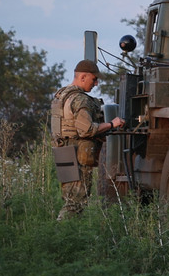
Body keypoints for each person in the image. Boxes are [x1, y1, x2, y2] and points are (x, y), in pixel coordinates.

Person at [50, 59, 125, 220]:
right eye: (94, 79)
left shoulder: (61, 96)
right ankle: (61, 231)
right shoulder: (80, 99)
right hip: (78, 155)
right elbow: (87, 130)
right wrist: (112, 124)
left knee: (69, 199)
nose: (96, 84)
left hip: (63, 152)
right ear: (83, 77)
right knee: (76, 203)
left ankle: (65, 231)